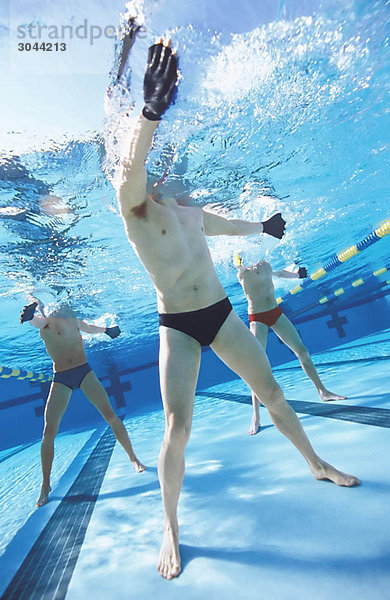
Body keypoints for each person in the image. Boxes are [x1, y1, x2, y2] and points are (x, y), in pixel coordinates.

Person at [113, 36, 359, 580]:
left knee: (271, 390)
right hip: (176, 326)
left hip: (222, 314)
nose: (169, 168)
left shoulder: (190, 211)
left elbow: (225, 224)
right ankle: (171, 528)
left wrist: (263, 228)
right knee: (178, 428)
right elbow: (130, 168)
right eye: (160, 164)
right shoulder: (135, 210)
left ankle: (315, 464)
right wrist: (149, 113)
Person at [20, 299, 145, 508]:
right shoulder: (45, 322)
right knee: (49, 431)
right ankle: (46, 484)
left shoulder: (74, 319)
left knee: (111, 415)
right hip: (61, 378)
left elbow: (88, 327)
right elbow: (38, 322)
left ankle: (133, 458)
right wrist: (30, 315)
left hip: (83, 371)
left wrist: (107, 330)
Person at [235, 257, 347, 435]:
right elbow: (238, 265)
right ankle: (256, 415)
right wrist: (239, 261)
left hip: (275, 312)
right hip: (257, 318)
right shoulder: (242, 271)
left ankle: (323, 392)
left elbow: (278, 273)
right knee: (256, 367)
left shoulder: (264, 263)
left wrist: (295, 275)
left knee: (302, 351)